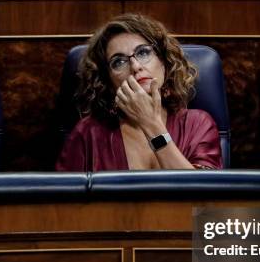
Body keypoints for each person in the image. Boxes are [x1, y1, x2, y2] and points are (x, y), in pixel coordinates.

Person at [56, 13, 222, 171]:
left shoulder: (198, 124)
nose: (135, 66)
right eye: (119, 61)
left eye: (143, 52)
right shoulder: (88, 132)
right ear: (108, 81)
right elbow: (62, 199)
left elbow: (202, 195)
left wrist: (150, 123)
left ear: (163, 61)